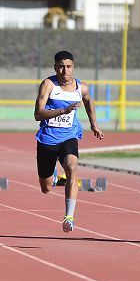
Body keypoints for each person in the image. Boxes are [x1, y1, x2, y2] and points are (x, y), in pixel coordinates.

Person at [34, 50, 104, 233]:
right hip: (47, 139)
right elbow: (37, 114)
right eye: (61, 67)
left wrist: (94, 124)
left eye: (68, 67)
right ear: (55, 67)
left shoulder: (82, 87)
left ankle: (69, 217)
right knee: (46, 188)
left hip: (69, 136)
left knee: (72, 167)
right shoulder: (48, 85)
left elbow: (89, 102)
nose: (65, 71)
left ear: (73, 67)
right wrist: (62, 111)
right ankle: (53, 176)